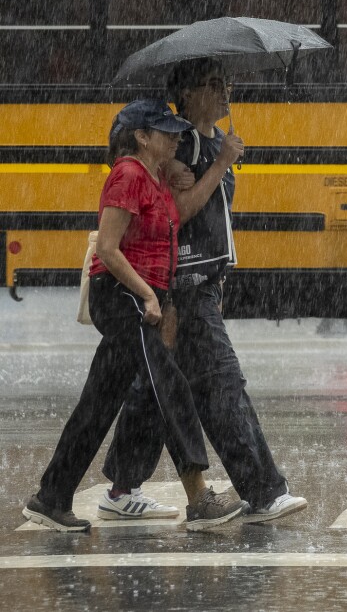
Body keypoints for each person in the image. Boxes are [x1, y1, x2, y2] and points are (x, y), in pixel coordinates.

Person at [100, 60, 308, 525]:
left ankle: (121, 486)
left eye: (227, 83)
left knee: (161, 389)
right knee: (222, 385)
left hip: (205, 283)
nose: (225, 92)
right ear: (188, 94)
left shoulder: (213, 142)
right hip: (184, 286)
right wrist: (219, 164)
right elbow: (179, 213)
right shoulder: (186, 147)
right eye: (214, 85)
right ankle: (264, 492)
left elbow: (218, 219)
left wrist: (219, 278)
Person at [21, 99, 243, 532]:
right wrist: (147, 296)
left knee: (98, 402)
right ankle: (198, 497)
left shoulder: (154, 177)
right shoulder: (127, 174)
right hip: (123, 296)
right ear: (141, 137)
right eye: (166, 132)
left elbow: (172, 225)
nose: (177, 138)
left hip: (143, 296)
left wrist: (186, 172)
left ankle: (51, 497)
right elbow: (107, 249)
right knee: (169, 385)